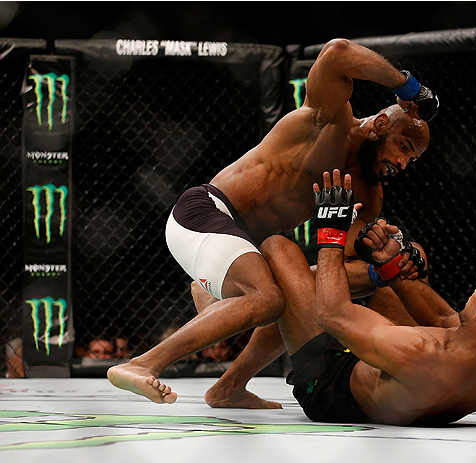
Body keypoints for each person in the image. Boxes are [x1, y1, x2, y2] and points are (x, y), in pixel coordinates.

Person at [107, 38, 436, 406]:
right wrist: (408, 87)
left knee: (297, 295)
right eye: (404, 148)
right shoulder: (329, 120)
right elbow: (338, 52)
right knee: (267, 297)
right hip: (207, 213)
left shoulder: (367, 194)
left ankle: (228, 385)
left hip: (244, 247)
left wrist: (382, 268)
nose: (403, 165)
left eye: (412, 161)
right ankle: (143, 364)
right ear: (378, 125)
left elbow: (338, 273)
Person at [192, 169, 476, 425]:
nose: (473, 289)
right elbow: (443, 320)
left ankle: (225, 301)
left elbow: (332, 314)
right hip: (404, 385)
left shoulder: (420, 352)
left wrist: (331, 231)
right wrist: (391, 264)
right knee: (386, 277)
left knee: (278, 248)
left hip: (330, 386)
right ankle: (232, 318)